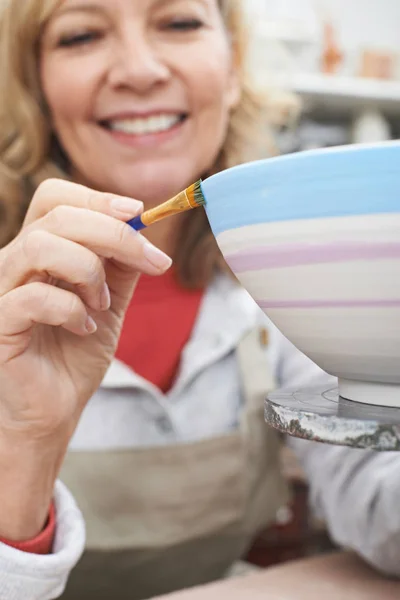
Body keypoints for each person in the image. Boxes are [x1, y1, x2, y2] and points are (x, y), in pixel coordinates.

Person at [0, 1, 399, 599]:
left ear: (233, 70)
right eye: (82, 35)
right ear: (37, 90)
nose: (139, 69)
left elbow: (377, 498)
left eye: (179, 22)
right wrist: (24, 446)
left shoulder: (285, 290)